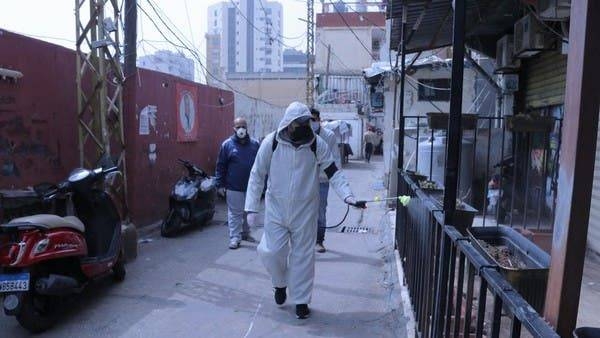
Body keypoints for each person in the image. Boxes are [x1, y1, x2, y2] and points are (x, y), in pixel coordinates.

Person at [244, 102, 365, 319]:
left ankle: (301, 300)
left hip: (305, 209)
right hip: (276, 210)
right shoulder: (271, 143)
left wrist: (348, 196)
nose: (304, 126)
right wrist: (251, 207)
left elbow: (333, 172)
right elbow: (257, 175)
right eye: (299, 123)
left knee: (303, 257)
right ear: (289, 124)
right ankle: (279, 284)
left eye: (306, 122)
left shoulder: (316, 144)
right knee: (270, 251)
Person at [215, 117, 260, 249]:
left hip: (251, 186)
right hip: (233, 186)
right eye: (238, 126)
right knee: (235, 213)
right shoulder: (227, 145)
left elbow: (261, 164)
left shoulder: (255, 144)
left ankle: (246, 233)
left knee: (249, 212)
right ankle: (235, 237)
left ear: (247, 127)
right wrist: (220, 184)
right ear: (234, 128)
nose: (241, 129)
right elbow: (220, 166)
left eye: (243, 126)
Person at [310, 108, 341, 253]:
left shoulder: (328, 136)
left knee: (320, 212)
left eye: (314, 119)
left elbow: (335, 159)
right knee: (303, 212)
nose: (312, 123)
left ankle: (319, 241)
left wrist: (337, 180)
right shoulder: (301, 136)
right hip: (304, 181)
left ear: (319, 120)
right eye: (309, 120)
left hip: (322, 180)